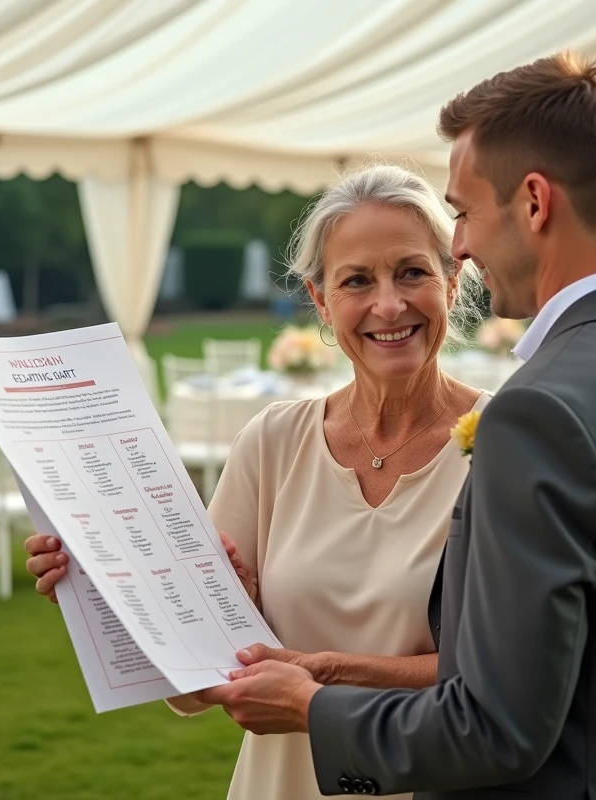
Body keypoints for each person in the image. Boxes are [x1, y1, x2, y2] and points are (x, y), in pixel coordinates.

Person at [200, 51, 596, 800]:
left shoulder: (534, 415)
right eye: (355, 281)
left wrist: (315, 702)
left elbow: (497, 724)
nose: (461, 244)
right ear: (319, 297)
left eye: (463, 213)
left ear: (534, 202)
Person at [24, 164, 491, 800]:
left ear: (452, 279)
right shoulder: (272, 443)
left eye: (412, 271)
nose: (389, 304)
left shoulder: (505, 443)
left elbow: (510, 678)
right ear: (322, 302)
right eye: (357, 280)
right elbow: (198, 683)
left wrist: (321, 678)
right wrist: (106, 591)